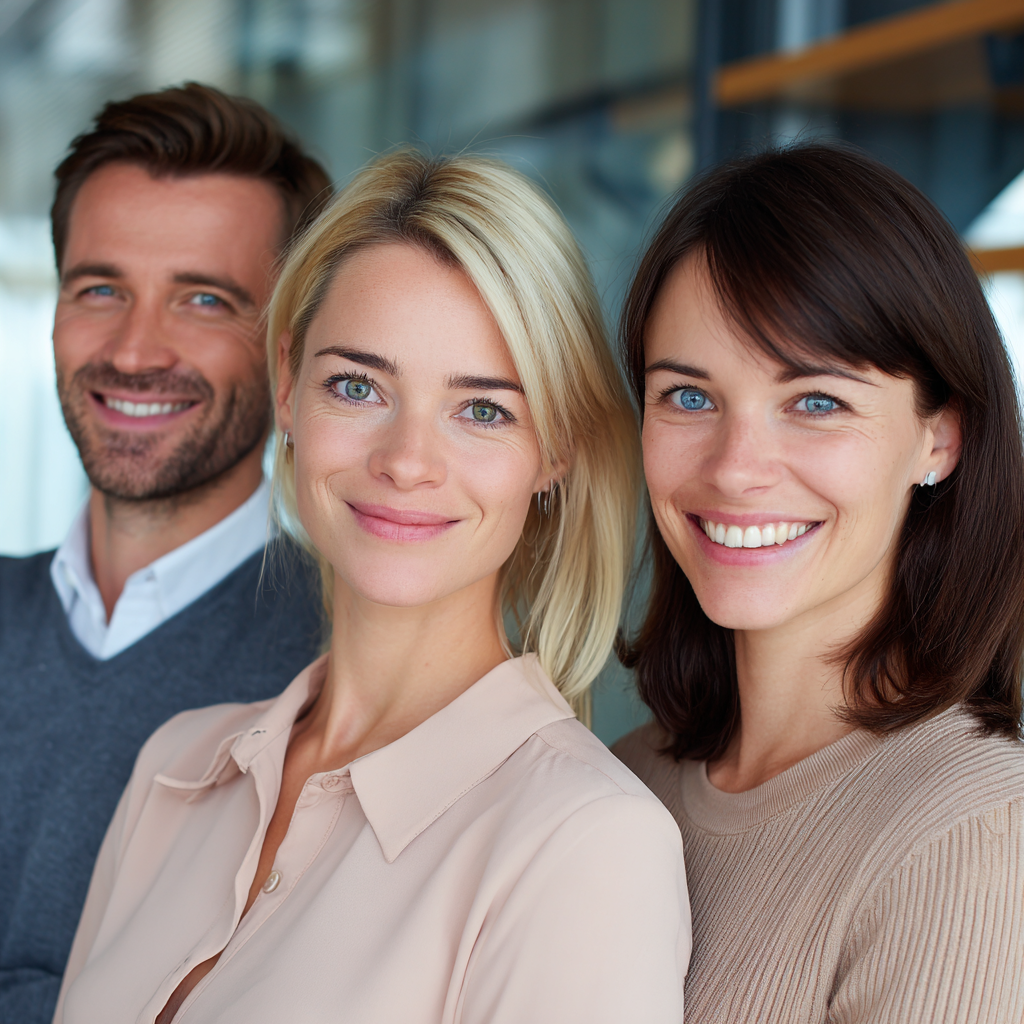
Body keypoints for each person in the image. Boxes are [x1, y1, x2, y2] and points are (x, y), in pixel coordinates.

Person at [53, 149, 691, 1024]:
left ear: (557, 448)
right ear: (288, 387)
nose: (405, 462)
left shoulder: (585, 843)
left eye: (482, 410)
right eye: (357, 386)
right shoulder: (174, 769)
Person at [613, 144, 1024, 1023]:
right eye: (688, 397)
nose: (736, 469)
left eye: (816, 402)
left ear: (939, 438)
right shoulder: (626, 777)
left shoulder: (971, 834)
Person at [0, 84, 331, 1022]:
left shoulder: (343, 673)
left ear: (290, 351)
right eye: (100, 288)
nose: (136, 351)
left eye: (204, 299)